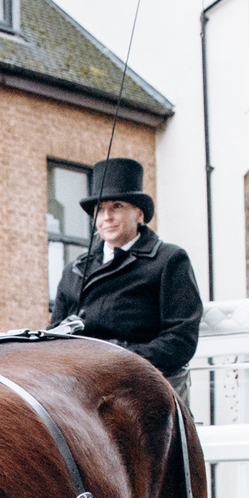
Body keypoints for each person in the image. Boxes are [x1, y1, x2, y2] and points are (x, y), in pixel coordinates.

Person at [49, 156, 204, 393]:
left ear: (139, 214)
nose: (106, 218)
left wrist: (116, 358)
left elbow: (180, 340)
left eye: (117, 206)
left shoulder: (168, 260)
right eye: (100, 210)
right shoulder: (75, 270)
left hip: (139, 385)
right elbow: (55, 333)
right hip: (79, 384)